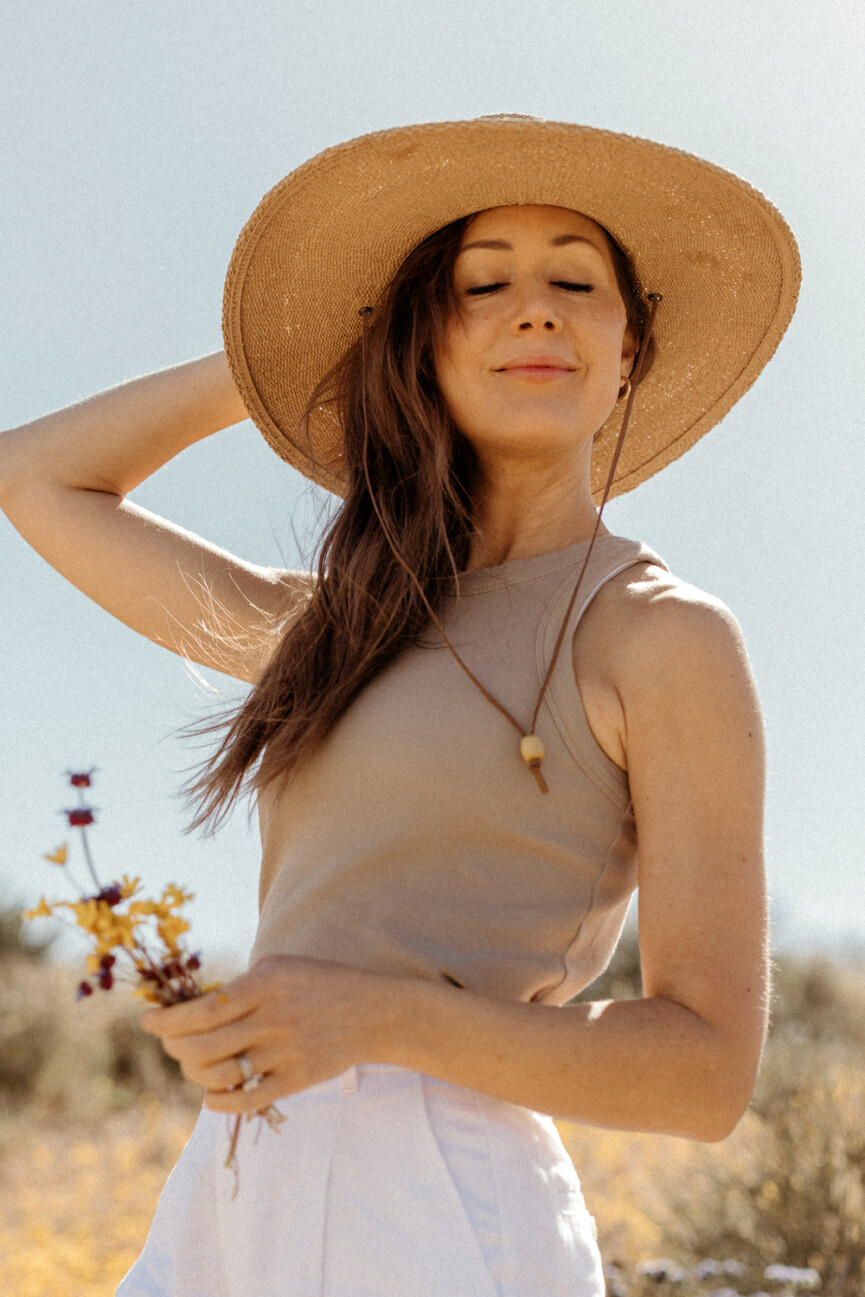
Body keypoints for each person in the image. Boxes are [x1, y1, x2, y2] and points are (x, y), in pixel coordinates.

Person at [0, 116, 800, 1297]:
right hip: (236, 1180)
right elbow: (36, 477)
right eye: (484, 285)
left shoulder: (662, 635)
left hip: (441, 1205)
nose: (535, 309)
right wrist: (292, 357)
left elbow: (703, 1070)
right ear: (422, 340)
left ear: (629, 349)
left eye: (575, 280)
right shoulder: (331, 628)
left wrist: (372, 1018)